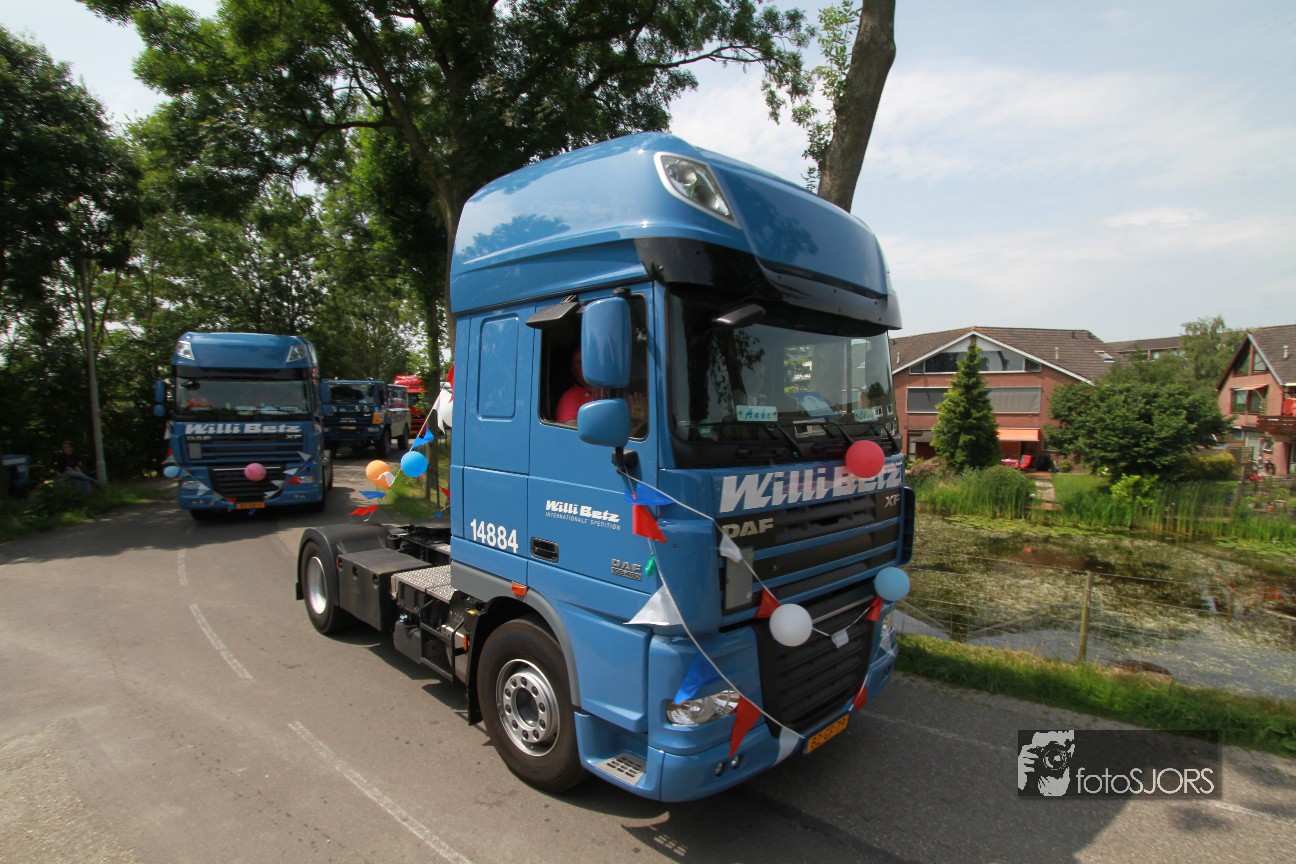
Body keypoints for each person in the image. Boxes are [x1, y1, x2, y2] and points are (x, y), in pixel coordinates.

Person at [555, 348, 646, 431]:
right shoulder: (570, 397)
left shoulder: (618, 391)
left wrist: (636, 421)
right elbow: (574, 435)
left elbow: (632, 434)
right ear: (573, 370)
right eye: (580, 363)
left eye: (590, 361)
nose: (587, 366)